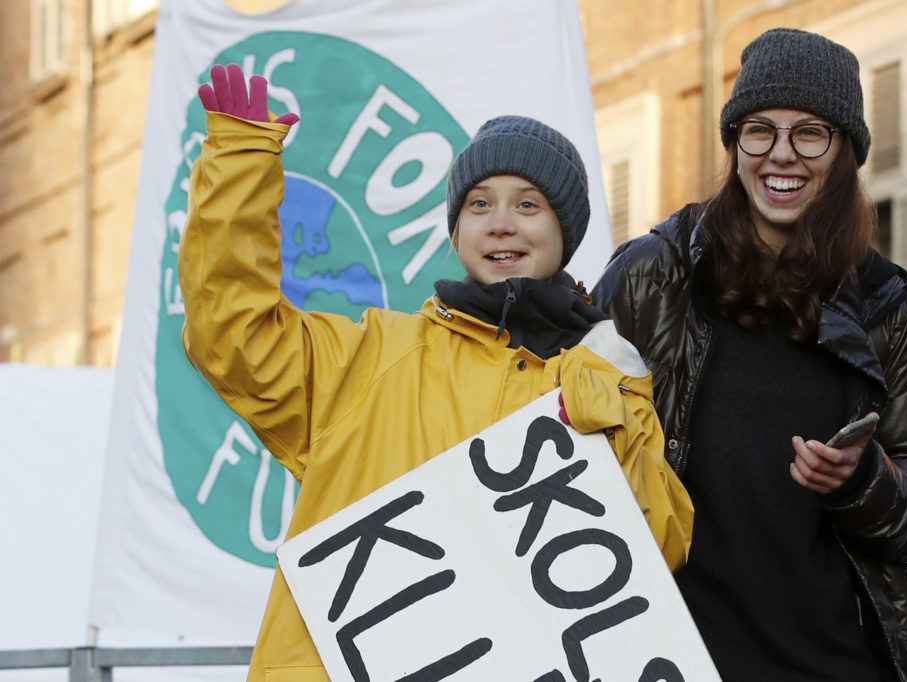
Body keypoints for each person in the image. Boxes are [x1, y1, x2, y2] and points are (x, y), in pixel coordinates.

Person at [179, 63, 694, 680]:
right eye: (480, 204)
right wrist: (238, 165)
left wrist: (611, 422)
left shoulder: (608, 374)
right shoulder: (371, 358)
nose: (500, 222)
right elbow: (233, 333)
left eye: (527, 204)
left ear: (566, 229)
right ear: (456, 231)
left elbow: (656, 549)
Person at [592, 28, 907, 682]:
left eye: (810, 132)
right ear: (734, 143)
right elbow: (563, 433)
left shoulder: (885, 308)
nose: (781, 155)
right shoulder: (653, 274)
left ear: (846, 150)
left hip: (839, 666)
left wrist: (864, 481)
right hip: (675, 663)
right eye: (759, 130)